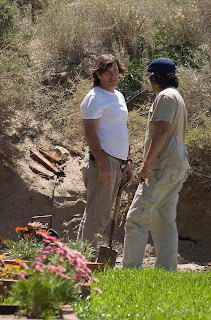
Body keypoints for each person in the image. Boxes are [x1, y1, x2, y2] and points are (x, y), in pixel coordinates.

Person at [123, 57, 189, 271]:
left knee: (136, 218)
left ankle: (130, 271)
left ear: (154, 76)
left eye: (149, 76)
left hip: (162, 168)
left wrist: (146, 164)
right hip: (177, 167)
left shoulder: (165, 97)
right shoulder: (176, 96)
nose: (148, 80)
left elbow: (161, 131)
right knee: (164, 221)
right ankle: (166, 272)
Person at [77, 54, 133, 259]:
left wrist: (127, 160)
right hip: (103, 160)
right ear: (98, 74)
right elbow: (90, 132)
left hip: (117, 161)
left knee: (96, 214)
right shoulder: (94, 97)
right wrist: (102, 163)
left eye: (116, 70)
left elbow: (120, 129)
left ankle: (80, 259)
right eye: (108, 72)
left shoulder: (118, 96)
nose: (113, 75)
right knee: (97, 215)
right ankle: (84, 263)